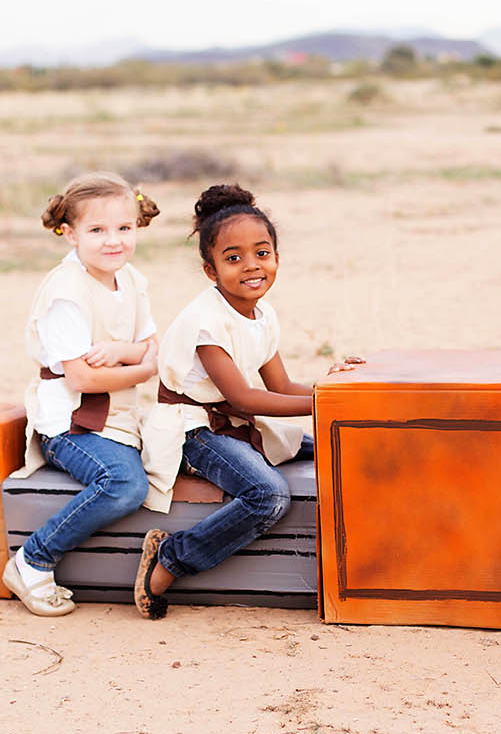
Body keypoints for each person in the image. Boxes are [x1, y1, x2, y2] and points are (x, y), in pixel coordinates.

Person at [132, 184, 360, 619]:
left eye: (262, 253)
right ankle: (170, 559)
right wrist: (323, 405)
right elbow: (245, 397)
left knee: (336, 443)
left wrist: (334, 389)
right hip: (192, 430)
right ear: (210, 269)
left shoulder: (261, 312)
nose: (251, 266)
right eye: (233, 258)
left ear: (276, 257)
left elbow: (281, 385)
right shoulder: (206, 322)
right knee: (267, 494)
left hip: (232, 422)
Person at [4, 172, 162, 616]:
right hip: (72, 423)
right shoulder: (66, 291)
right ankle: (33, 559)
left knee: (187, 441)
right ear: (69, 234)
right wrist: (145, 367)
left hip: (123, 414)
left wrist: (124, 353)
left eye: (124, 229)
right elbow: (83, 380)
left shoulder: (131, 279)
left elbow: (152, 345)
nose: (114, 241)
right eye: (97, 230)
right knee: (124, 484)